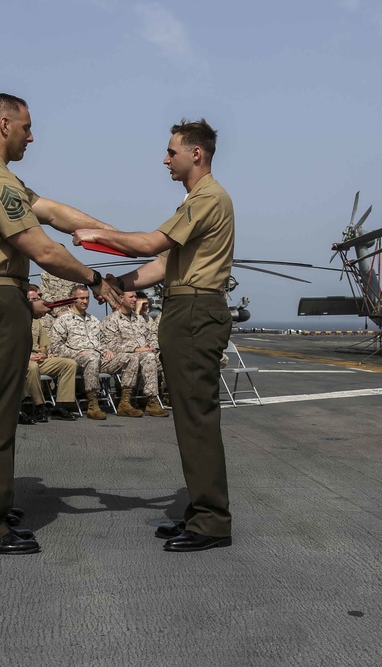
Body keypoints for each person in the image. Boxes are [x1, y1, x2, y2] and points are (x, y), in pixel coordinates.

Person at [0, 92, 120, 556]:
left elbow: (54, 212)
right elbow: (42, 249)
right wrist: (95, 277)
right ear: (4, 124)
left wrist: (115, 237)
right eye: (26, 127)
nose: (31, 135)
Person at [73, 118, 235, 553]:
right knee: (189, 418)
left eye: (172, 151)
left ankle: (212, 522)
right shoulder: (195, 202)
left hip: (197, 310)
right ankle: (200, 511)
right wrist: (121, 285)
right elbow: (163, 265)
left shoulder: (207, 197)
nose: (165, 159)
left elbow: (149, 244)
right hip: (186, 308)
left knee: (197, 419)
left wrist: (98, 235)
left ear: (195, 153)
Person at [49, 285, 144, 419]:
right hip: (77, 360)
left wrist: (107, 350)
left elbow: (102, 341)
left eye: (87, 298)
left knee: (131, 357)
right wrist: (76, 354)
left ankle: (125, 403)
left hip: (98, 358)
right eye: (81, 298)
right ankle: (92, 404)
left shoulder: (93, 320)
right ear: (72, 299)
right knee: (92, 357)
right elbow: (56, 347)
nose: (85, 301)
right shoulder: (63, 320)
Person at [100, 290, 169, 416]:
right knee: (138, 357)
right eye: (131, 297)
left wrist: (153, 348)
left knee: (167, 358)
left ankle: (155, 399)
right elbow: (111, 346)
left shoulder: (139, 319)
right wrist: (136, 349)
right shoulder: (111, 320)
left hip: (143, 355)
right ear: (121, 298)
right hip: (119, 358)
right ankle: (125, 402)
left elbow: (151, 338)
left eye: (135, 297)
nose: (134, 300)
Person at [23, 285, 78, 423]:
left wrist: (43, 353)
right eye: (33, 299)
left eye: (37, 298)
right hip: (22, 360)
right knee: (33, 368)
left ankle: (61, 405)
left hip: (39, 359)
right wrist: (29, 356)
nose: (37, 301)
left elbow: (43, 345)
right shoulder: (16, 321)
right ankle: (39, 406)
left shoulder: (37, 322)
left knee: (69, 364)